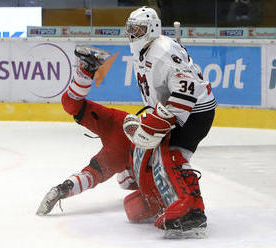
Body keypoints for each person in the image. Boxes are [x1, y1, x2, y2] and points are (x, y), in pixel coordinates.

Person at [36, 43, 209, 239]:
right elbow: (89, 177)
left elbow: (88, 176)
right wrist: (62, 190)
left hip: (127, 128)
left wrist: (61, 190)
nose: (129, 181)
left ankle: (86, 70)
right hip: (134, 131)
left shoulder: (115, 158)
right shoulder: (118, 161)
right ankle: (193, 209)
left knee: (134, 207)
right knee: (138, 203)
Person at [124, 5, 217, 234]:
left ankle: (193, 213)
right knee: (166, 156)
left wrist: (163, 119)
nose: (132, 34)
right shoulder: (146, 49)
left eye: (137, 29)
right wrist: (159, 115)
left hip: (196, 110)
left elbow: (187, 88)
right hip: (182, 108)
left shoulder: (161, 50)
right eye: (131, 28)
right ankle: (174, 202)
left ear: (152, 29)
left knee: (173, 155)